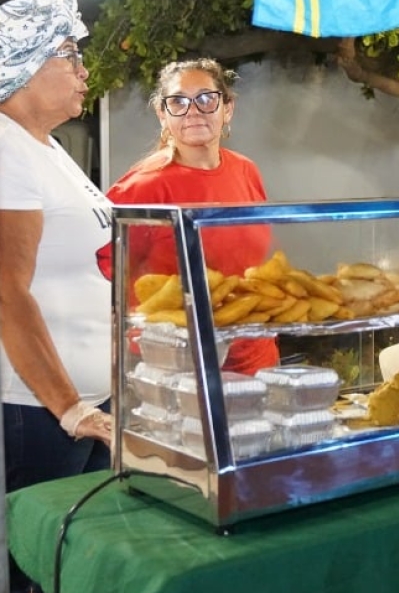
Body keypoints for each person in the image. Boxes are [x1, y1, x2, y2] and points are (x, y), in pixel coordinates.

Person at [0, 0, 113, 593]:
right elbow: (9, 291)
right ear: (23, 64)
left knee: (63, 568)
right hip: (34, 410)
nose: (82, 68)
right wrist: (69, 407)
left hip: (78, 404)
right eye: (68, 54)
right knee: (22, 568)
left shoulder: (45, 145)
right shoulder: (6, 146)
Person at [106, 58, 278, 374]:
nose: (193, 110)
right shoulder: (143, 186)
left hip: (257, 358)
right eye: (178, 101)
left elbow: (251, 266)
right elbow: (105, 270)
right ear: (162, 113)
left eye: (206, 98)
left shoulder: (246, 171)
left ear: (227, 108)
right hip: (179, 366)